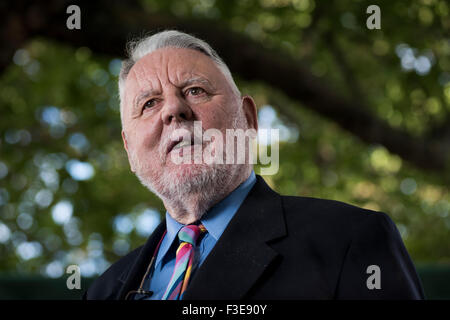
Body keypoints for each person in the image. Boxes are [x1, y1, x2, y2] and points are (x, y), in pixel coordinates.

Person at [83, 30, 424, 300]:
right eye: (149, 103)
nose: (173, 110)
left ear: (247, 119)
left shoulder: (350, 240)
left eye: (195, 90)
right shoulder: (104, 290)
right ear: (130, 151)